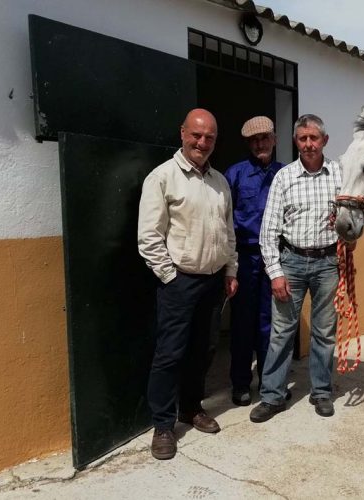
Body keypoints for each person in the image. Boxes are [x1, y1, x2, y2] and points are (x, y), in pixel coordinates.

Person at [137, 108, 238, 460]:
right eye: (196, 135)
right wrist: (170, 277)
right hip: (180, 283)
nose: (202, 142)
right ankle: (163, 426)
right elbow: (149, 237)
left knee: (204, 349)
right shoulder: (163, 178)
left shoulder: (220, 182)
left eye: (209, 137)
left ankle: (191, 408)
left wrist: (230, 271)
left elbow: (228, 233)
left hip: (213, 283)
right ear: (182, 133)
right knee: (170, 355)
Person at [249, 114, 342, 423]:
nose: (308, 144)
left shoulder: (340, 175)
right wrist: (275, 273)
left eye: (313, 138)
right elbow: (269, 231)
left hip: (328, 262)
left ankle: (321, 392)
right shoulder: (284, 177)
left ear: (324, 141)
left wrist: (346, 231)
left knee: (325, 331)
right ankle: (272, 396)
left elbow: (357, 215)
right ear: (295, 142)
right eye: (302, 139)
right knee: (281, 332)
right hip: (290, 262)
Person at [224, 116, 284, 406]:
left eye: (265, 138)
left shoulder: (285, 175)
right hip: (245, 258)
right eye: (254, 140)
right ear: (249, 143)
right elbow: (223, 220)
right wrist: (229, 266)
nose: (260, 143)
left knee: (270, 323)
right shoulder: (234, 174)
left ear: (274, 139)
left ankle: (269, 380)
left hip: (275, 258)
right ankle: (240, 383)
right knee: (242, 324)